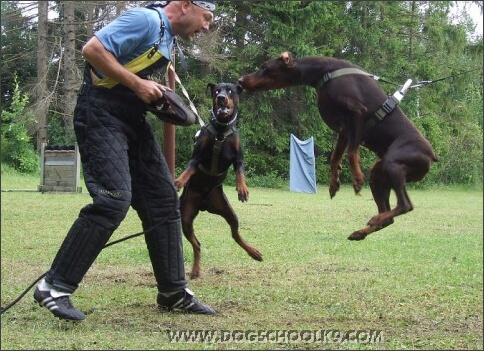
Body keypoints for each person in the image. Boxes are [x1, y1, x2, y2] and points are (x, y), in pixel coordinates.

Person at [33, 1, 217, 321]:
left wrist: (152, 89)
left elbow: (130, 73)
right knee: (113, 200)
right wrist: (137, 84)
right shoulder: (146, 20)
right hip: (100, 115)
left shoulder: (166, 38)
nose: (207, 26)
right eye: (207, 17)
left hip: (131, 119)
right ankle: (54, 286)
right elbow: (92, 50)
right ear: (186, 5)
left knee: (162, 199)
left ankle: (173, 292)